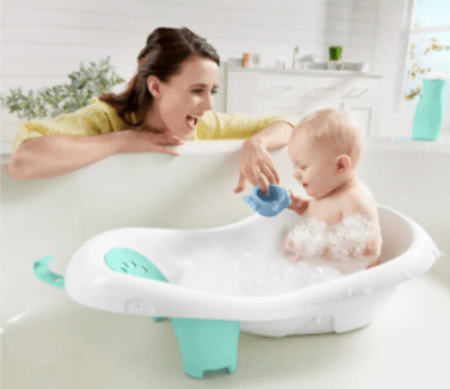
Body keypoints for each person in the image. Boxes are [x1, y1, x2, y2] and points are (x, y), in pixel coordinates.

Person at [8, 27, 296, 195]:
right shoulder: (105, 119)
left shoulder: (206, 125)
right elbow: (23, 162)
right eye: (197, 91)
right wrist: (122, 141)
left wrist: (258, 142)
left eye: (212, 91)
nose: (209, 106)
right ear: (156, 87)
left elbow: (290, 124)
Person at [281, 108, 382, 274]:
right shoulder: (326, 190)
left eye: (303, 167)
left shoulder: (355, 200)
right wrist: (302, 205)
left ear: (340, 165)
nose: (295, 173)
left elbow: (368, 250)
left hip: (351, 283)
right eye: (294, 166)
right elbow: (323, 216)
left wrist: (321, 250)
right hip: (322, 276)